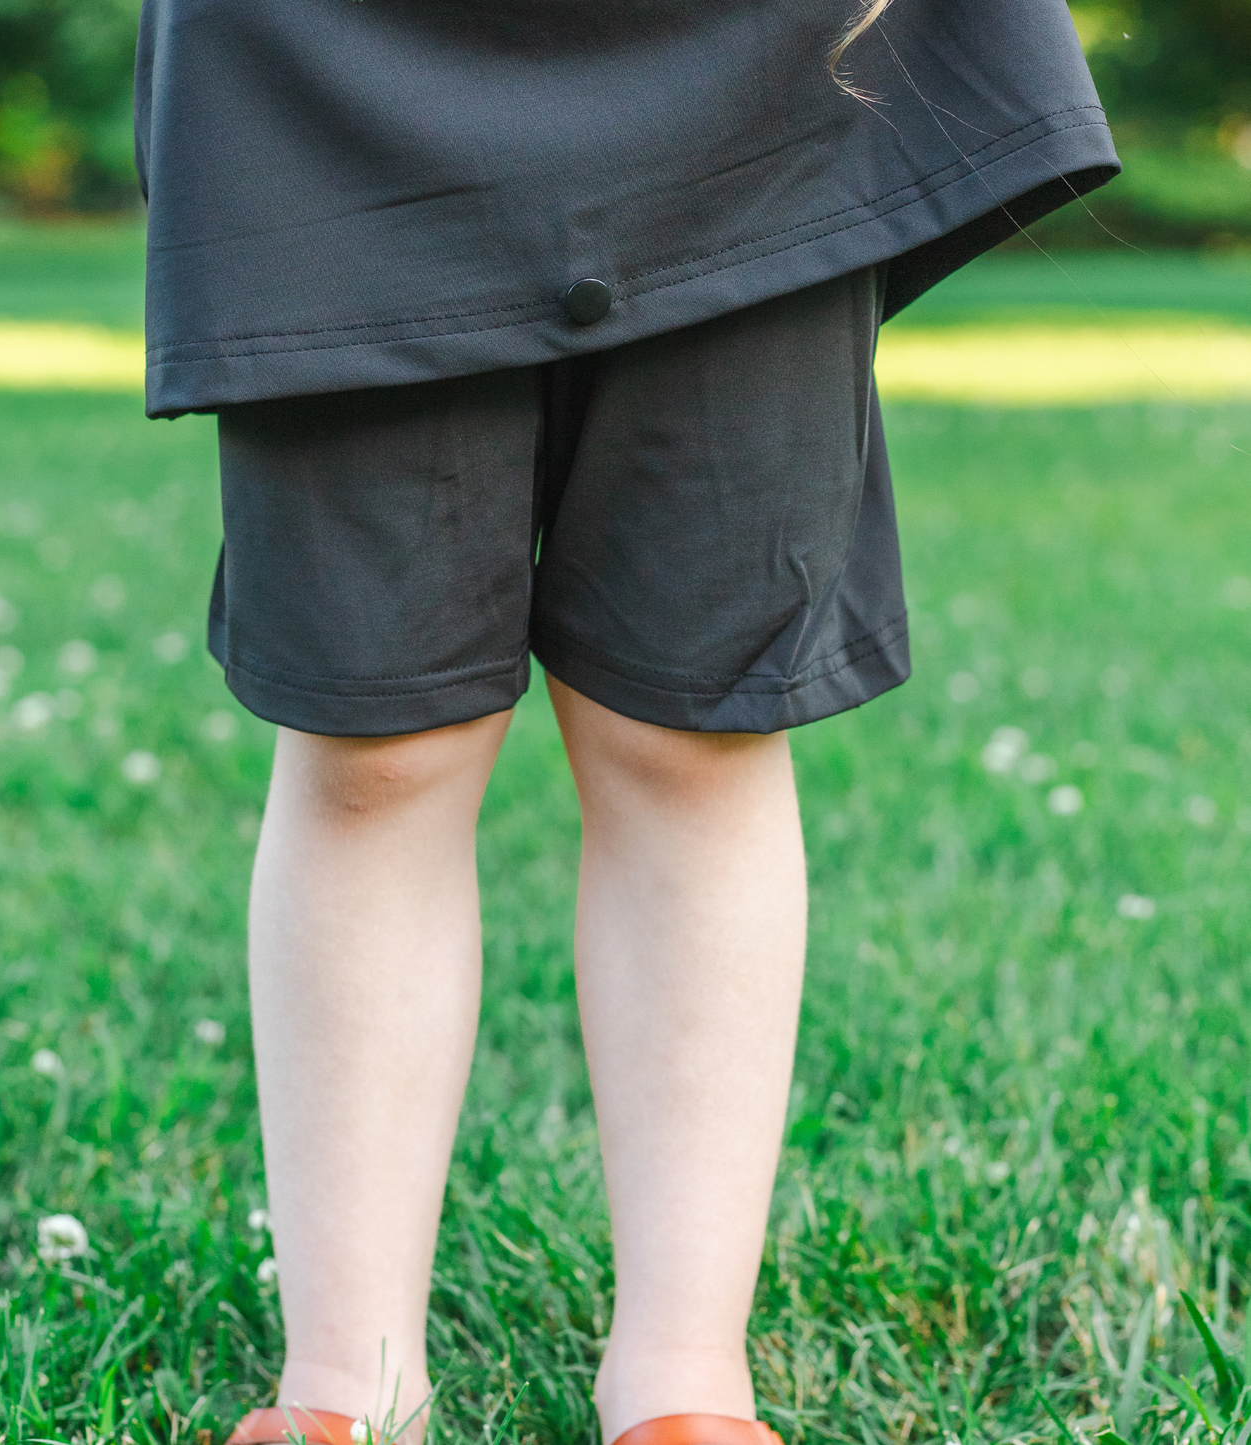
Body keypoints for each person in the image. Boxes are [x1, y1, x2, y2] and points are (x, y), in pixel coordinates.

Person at [131, 3, 1118, 1443]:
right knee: (373, 747)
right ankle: (347, 1381)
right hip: (327, 55)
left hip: (756, 55)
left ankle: (682, 1379)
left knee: (690, 729)